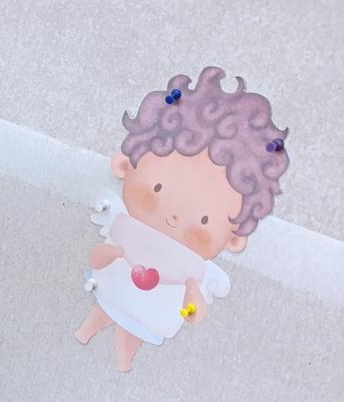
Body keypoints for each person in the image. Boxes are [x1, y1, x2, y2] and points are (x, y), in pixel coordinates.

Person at [76, 66, 289, 373]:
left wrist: (190, 303)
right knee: (101, 313)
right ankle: (85, 332)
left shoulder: (195, 273)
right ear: (124, 165)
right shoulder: (123, 227)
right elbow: (97, 258)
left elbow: (194, 311)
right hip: (112, 291)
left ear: (234, 238)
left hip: (150, 315)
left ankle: (124, 362)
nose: (175, 217)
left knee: (131, 335)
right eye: (158, 188)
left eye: (204, 218)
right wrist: (116, 252)